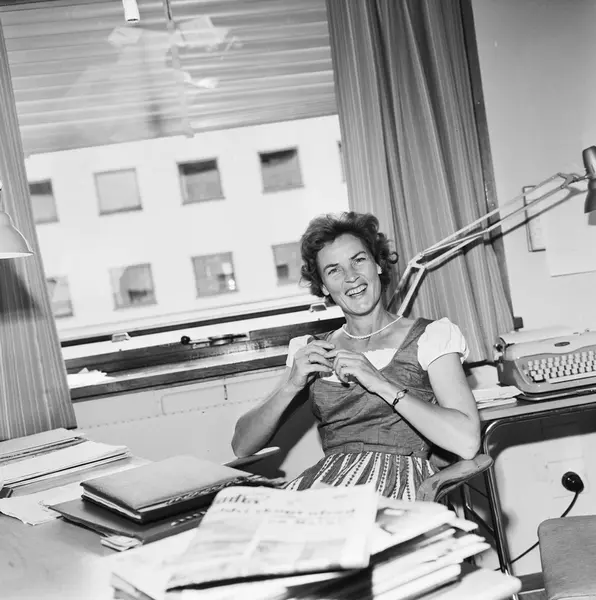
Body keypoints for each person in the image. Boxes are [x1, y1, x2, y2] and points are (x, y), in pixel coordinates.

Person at [232, 211, 480, 501]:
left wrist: (380, 383)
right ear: (323, 286)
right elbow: (242, 446)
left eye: (358, 260)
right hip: (330, 487)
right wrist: (290, 387)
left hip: (400, 488)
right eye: (334, 270)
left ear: (377, 264)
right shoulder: (312, 349)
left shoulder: (431, 337)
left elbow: (467, 442)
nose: (351, 277)